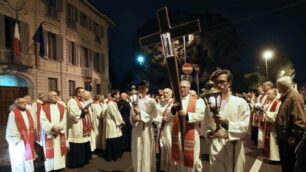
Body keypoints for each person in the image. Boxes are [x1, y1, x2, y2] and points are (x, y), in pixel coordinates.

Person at [204, 69, 250, 172]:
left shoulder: (240, 102)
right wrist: (208, 133)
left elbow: (244, 127)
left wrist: (225, 123)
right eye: (216, 82)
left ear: (229, 82)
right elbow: (205, 123)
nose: (218, 85)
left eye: (221, 81)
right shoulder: (209, 103)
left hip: (233, 145)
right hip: (216, 145)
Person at [170, 80, 205, 172]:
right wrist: (173, 110)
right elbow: (169, 116)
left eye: (184, 87)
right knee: (180, 157)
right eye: (180, 87)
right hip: (178, 133)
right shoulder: (175, 101)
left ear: (189, 88)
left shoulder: (197, 101)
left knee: (191, 158)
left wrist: (186, 115)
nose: (181, 89)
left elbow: (201, 116)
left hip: (191, 132)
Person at [275, 76, 306, 172]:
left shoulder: (294, 97)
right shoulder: (288, 96)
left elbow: (299, 120)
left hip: (288, 138)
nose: (277, 88)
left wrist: (293, 137)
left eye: (278, 86)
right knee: (286, 163)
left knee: (289, 164)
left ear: (283, 86)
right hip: (285, 137)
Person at [130, 80, 160, 172]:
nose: (141, 90)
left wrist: (141, 114)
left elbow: (155, 116)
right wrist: (133, 118)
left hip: (146, 128)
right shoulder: (134, 101)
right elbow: (131, 115)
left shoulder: (151, 101)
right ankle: (138, 169)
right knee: (137, 149)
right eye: (139, 88)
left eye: (143, 88)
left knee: (146, 150)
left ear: (147, 89)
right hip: (137, 128)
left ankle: (146, 169)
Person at [6, 98, 35, 172]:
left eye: (25, 102)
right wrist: (16, 139)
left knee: (28, 160)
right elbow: (11, 128)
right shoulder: (13, 113)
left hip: (28, 139)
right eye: (22, 102)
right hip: (19, 140)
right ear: (17, 104)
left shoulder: (28, 112)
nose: (25, 104)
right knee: (19, 160)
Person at [40, 91, 67, 171]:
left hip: (59, 132)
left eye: (56, 95)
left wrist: (60, 127)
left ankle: (59, 166)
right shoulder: (44, 107)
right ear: (48, 97)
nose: (55, 96)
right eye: (53, 95)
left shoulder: (61, 106)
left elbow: (64, 119)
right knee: (50, 150)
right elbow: (43, 119)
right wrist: (52, 127)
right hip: (50, 132)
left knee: (59, 149)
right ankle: (50, 167)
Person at [66, 87, 92, 168]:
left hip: (83, 124)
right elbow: (72, 114)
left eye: (84, 92)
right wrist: (83, 112)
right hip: (76, 125)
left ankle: (83, 160)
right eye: (82, 92)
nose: (84, 94)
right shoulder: (72, 101)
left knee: (83, 142)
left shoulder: (82, 101)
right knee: (77, 144)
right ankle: (75, 162)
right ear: (77, 93)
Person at [156, 88, 174, 171]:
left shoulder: (173, 103)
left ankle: (172, 167)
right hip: (161, 127)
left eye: (167, 93)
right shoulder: (160, 104)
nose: (165, 94)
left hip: (171, 128)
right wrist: (161, 119)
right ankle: (164, 168)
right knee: (163, 147)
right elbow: (155, 115)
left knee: (170, 147)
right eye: (164, 93)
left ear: (171, 94)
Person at [105, 90, 125, 161]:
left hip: (115, 123)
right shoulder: (110, 104)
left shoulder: (114, 103)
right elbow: (114, 114)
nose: (119, 96)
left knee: (116, 138)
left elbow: (117, 113)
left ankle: (117, 154)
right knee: (113, 139)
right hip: (112, 124)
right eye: (118, 94)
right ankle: (113, 156)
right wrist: (120, 122)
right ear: (115, 95)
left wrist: (121, 120)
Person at [262, 89, 281, 162]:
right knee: (271, 141)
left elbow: (277, 114)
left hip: (274, 126)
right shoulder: (272, 102)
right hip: (270, 124)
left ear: (274, 94)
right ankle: (272, 157)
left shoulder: (277, 102)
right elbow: (267, 108)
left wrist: (267, 113)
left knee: (274, 142)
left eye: (269, 94)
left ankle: (276, 158)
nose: (268, 95)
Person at [257, 81, 274, 149]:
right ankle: (263, 145)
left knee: (267, 132)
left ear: (269, 86)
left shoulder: (272, 93)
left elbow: (271, 103)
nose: (263, 87)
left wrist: (263, 107)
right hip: (262, 113)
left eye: (265, 86)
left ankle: (267, 147)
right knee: (262, 130)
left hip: (267, 115)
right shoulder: (264, 94)